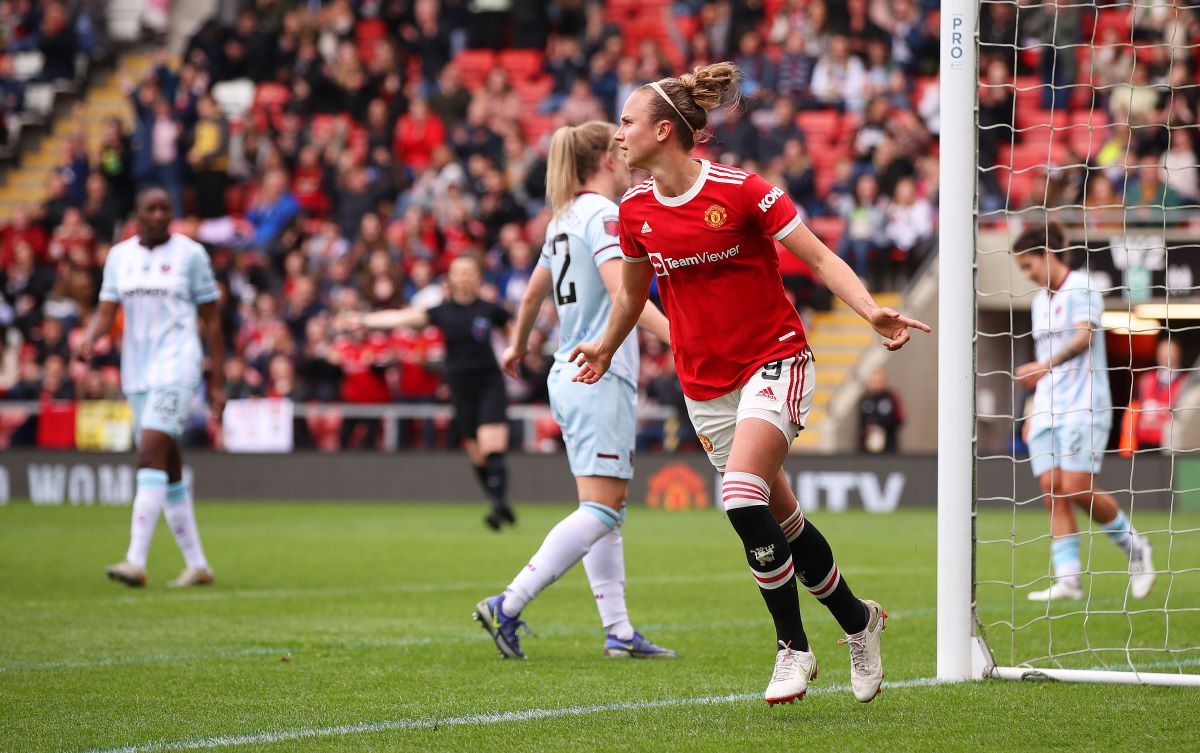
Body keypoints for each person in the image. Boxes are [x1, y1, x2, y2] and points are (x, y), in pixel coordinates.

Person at [570, 62, 930, 705]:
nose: (617, 136)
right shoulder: (634, 210)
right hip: (704, 386)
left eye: (626, 123)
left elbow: (818, 256)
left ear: (663, 130)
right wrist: (603, 345)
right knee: (781, 518)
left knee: (740, 497)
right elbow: (630, 298)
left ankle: (793, 648)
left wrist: (870, 309)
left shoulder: (744, 192)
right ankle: (859, 620)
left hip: (777, 361)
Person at [472, 122, 675, 660]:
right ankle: (507, 605)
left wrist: (516, 349)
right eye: (621, 145)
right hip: (597, 372)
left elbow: (531, 296)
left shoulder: (562, 219)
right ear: (606, 160)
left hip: (570, 371)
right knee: (603, 511)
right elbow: (622, 292)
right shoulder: (604, 215)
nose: (628, 151)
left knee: (606, 506)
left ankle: (619, 632)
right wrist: (682, 339)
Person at [76, 186, 224, 588]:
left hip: (178, 363)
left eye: (165, 209)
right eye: (151, 209)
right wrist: (91, 339)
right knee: (168, 464)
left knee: (150, 450)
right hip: (137, 370)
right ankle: (198, 565)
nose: (160, 215)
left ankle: (135, 560)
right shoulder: (119, 257)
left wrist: (218, 381)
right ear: (136, 215)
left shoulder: (191, 254)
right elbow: (107, 310)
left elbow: (211, 320)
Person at [1012, 223, 1155, 602]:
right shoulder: (1038, 302)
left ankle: (1135, 547)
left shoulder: (1083, 286)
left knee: (1076, 488)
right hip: (1046, 409)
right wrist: (1031, 409)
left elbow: (1084, 336)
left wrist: (1045, 367)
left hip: (1084, 405)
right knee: (1051, 491)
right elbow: (1043, 360)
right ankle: (1068, 579)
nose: (1028, 275)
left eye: (1028, 266)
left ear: (1046, 254)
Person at [342, 255, 516, 529]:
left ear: (478, 277)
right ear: (451, 278)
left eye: (469, 272)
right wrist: (365, 319)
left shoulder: (489, 310)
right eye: (459, 272)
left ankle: (497, 506)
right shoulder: (441, 312)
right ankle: (498, 502)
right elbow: (402, 317)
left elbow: (513, 329)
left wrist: (516, 350)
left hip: (488, 383)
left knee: (492, 444)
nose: (464, 277)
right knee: (476, 452)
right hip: (460, 386)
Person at [1134, 338, 1187, 452]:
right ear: (1158, 356)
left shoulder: (1185, 384)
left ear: (1178, 356)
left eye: (1171, 355)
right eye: (1164, 355)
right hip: (1145, 443)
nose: (1167, 360)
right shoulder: (1146, 380)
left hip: (1169, 444)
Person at [858, 367, 904, 453]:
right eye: (873, 382)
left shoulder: (892, 397)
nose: (876, 385)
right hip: (867, 449)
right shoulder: (865, 398)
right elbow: (861, 423)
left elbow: (899, 419)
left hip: (889, 448)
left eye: (879, 382)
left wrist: (882, 428)